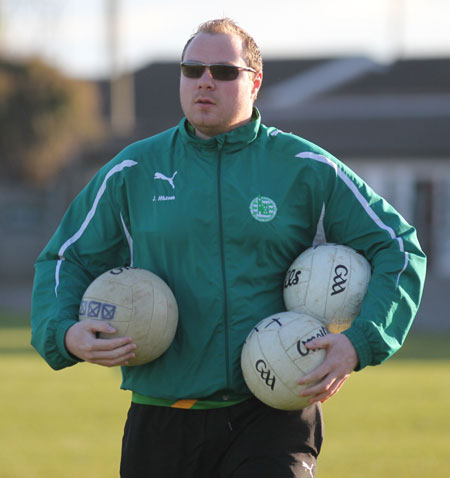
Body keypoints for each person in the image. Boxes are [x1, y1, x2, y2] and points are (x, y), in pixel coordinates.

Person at [31, 18, 426, 478]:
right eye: (192, 69)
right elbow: (67, 258)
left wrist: (359, 343)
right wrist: (63, 332)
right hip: (164, 413)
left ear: (254, 83)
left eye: (223, 72)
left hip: (273, 407)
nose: (204, 81)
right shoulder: (134, 169)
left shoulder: (303, 167)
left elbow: (398, 246)